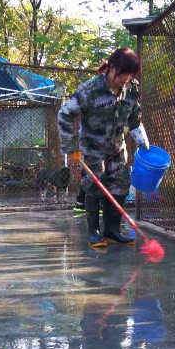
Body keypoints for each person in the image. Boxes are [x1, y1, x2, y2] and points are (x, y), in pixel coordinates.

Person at [58, 47, 147, 247]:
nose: (127, 78)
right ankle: (94, 232)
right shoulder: (90, 90)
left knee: (121, 185)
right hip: (92, 147)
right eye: (123, 73)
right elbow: (64, 114)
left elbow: (134, 117)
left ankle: (112, 230)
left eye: (131, 74)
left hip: (117, 146)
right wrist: (71, 146)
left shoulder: (132, 88)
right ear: (112, 68)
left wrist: (143, 141)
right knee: (95, 186)